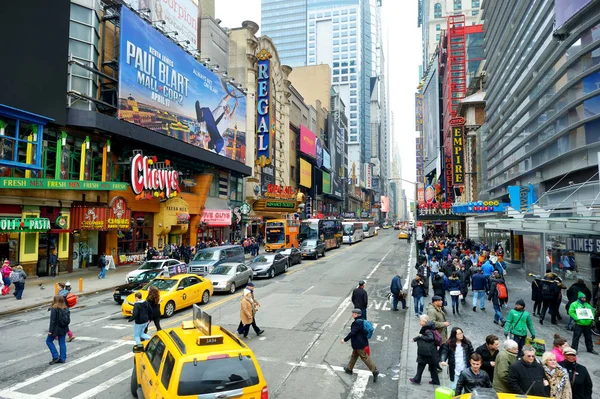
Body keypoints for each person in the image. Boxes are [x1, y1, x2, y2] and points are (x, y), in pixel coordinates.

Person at [341, 309, 379, 383]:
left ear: (356, 314)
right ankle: (349, 369)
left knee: (364, 357)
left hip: (358, 343)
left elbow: (352, 333)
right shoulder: (362, 320)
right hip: (361, 341)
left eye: (353, 313)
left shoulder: (357, 323)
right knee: (354, 356)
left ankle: (374, 370)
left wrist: (344, 340)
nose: (352, 315)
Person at [409, 314, 441, 385]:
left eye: (420, 320)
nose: (420, 322)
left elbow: (430, 338)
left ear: (424, 321)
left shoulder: (427, 330)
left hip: (427, 352)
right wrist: (415, 339)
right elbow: (422, 336)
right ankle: (435, 381)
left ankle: (417, 379)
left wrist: (420, 338)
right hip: (432, 352)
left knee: (421, 364)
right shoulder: (429, 328)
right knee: (432, 367)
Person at [46, 295, 70, 364]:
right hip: (64, 328)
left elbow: (52, 321)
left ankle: (55, 356)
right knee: (62, 343)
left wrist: (50, 331)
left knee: (48, 341)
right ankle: (63, 358)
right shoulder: (65, 307)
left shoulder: (54, 308)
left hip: (56, 329)